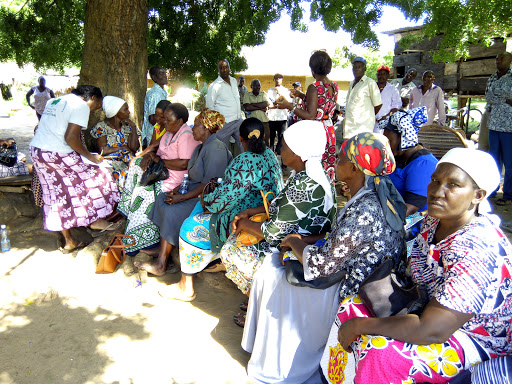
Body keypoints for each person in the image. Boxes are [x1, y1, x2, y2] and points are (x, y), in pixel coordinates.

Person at [323, 148, 512, 384]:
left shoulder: (478, 248)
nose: (437, 191)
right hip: (426, 308)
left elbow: (434, 330)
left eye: (453, 185)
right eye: (435, 180)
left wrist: (362, 325)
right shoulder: (434, 221)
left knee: (381, 352)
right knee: (350, 305)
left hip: (472, 337)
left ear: (478, 196)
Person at [243, 132, 406, 384]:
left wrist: (295, 242)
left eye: (340, 160)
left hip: (355, 287)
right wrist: (305, 241)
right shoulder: (377, 194)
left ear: (353, 167)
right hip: (363, 273)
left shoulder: (366, 207)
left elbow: (321, 265)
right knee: (274, 268)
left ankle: (285, 363)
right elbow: (345, 240)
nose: (335, 164)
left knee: (277, 281)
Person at [159, 118, 284, 301]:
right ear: (264, 136)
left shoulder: (244, 160)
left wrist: (206, 199)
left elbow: (221, 202)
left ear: (240, 138)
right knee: (201, 206)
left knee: (189, 227)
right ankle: (215, 259)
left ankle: (186, 286)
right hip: (264, 213)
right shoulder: (270, 156)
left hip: (242, 220)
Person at [220, 120, 336, 308]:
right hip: (301, 237)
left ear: (298, 153)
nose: (280, 150)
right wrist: (249, 212)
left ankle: (259, 304)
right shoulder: (311, 174)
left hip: (295, 245)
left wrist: (243, 224)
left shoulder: (305, 184)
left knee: (231, 250)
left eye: (283, 146)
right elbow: (279, 203)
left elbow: (273, 234)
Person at [135, 108, 232, 276]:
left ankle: (161, 264)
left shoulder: (215, 148)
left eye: (196, 126)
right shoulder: (201, 148)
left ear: (206, 128)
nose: (192, 129)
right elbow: (191, 177)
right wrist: (176, 190)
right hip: (196, 191)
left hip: (208, 199)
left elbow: (210, 184)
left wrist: (182, 197)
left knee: (173, 210)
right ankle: (162, 248)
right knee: (162, 199)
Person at [29, 85, 120, 252]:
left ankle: (69, 241)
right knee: (100, 174)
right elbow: (71, 137)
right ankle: (95, 220)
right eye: (97, 106)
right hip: (57, 153)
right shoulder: (81, 106)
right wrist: (90, 156)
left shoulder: (55, 100)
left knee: (57, 193)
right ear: (92, 98)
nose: (94, 111)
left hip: (38, 152)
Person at [118, 103, 199, 254]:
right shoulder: (168, 133)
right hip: (163, 172)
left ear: (180, 121)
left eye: (168, 120)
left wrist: (159, 161)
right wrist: (149, 157)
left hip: (176, 180)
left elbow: (184, 163)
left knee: (143, 194)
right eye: (164, 119)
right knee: (136, 168)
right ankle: (128, 218)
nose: (164, 123)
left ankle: (143, 241)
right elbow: (158, 153)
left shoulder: (186, 135)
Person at [276, 51, 339, 181]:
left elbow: (311, 115)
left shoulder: (314, 87)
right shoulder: (333, 85)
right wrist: (301, 95)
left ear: (312, 69)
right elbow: (320, 105)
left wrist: (289, 106)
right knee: (327, 167)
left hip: (316, 134)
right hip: (329, 131)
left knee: (314, 169)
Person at [378, 106, 438, 216]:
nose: (386, 146)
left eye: (389, 142)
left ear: (404, 138)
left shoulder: (424, 165)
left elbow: (408, 209)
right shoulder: (397, 157)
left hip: (410, 223)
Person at [90, 96, 140, 190]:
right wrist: (122, 148)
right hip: (110, 161)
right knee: (115, 175)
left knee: (136, 172)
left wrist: (133, 128)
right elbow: (103, 150)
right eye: (125, 109)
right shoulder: (102, 127)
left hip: (127, 160)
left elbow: (134, 148)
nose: (128, 112)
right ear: (116, 112)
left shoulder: (128, 126)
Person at [486, 52, 512, 206]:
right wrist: (506, 99)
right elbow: (488, 97)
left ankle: (508, 194)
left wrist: (497, 96)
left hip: (509, 126)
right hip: (494, 124)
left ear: (510, 61)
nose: (498, 61)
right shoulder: (492, 77)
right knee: (493, 161)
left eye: (502, 58)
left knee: (510, 163)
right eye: (497, 58)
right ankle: (492, 190)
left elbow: (494, 95)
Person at [206, 59, 243, 152]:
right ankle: (223, 166)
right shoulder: (214, 86)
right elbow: (210, 107)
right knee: (221, 150)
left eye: (226, 67)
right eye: (221, 68)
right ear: (218, 70)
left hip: (238, 120)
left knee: (245, 145)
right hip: (224, 124)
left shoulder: (234, 81)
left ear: (229, 68)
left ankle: (247, 165)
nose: (225, 70)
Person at [344, 56, 383, 139]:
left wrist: (368, 116)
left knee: (361, 151)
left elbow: (378, 105)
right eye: (354, 67)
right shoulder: (351, 84)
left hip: (362, 128)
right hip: (349, 129)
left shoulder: (370, 83)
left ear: (365, 69)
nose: (356, 69)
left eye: (359, 67)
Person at [142, 66, 168, 147]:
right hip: (154, 136)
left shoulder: (161, 92)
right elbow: (153, 119)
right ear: (154, 78)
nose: (165, 75)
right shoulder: (156, 94)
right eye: (161, 73)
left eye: (164, 73)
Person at [374, 65, 402, 133]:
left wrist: (386, 117)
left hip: (384, 123)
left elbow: (396, 106)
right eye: (379, 74)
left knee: (381, 141)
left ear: (388, 76)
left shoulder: (393, 89)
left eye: (384, 74)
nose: (381, 76)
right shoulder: (371, 87)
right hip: (370, 121)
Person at [267, 73, 290, 153]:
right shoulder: (269, 91)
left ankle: (277, 153)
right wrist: (278, 105)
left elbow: (287, 103)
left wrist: (279, 93)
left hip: (282, 117)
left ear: (282, 79)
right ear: (273, 80)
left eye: (279, 78)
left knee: (282, 137)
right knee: (272, 138)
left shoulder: (285, 91)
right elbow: (269, 105)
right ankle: (271, 155)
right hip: (272, 118)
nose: (278, 80)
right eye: (276, 78)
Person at [243, 79, 270, 146]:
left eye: (258, 85)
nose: (257, 87)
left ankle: (267, 155)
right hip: (252, 123)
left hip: (264, 121)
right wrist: (261, 107)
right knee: (253, 141)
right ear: (251, 86)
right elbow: (247, 107)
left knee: (266, 139)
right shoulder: (247, 95)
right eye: (255, 85)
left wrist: (252, 105)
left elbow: (265, 104)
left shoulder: (263, 94)